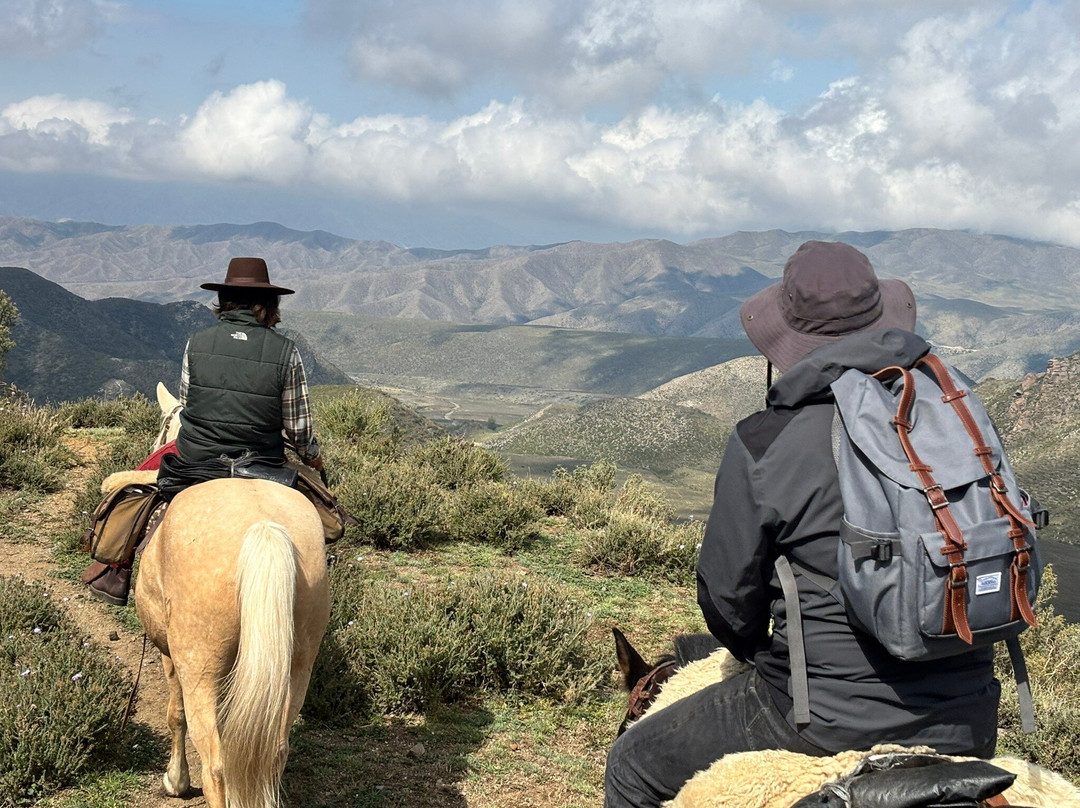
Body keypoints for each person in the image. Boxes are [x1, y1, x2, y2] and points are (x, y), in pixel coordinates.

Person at [604, 241, 999, 808]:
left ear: (788, 340)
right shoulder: (958, 418)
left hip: (822, 721)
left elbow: (727, 601)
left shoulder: (766, 442)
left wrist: (761, 648)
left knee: (633, 765)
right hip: (970, 716)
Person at [86, 257, 324, 605]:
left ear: (224, 302)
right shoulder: (287, 352)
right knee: (323, 517)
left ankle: (115, 571)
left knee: (140, 494)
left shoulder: (195, 343)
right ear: (268, 305)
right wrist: (312, 458)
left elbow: (187, 404)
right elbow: (299, 428)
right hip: (263, 464)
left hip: (197, 460)